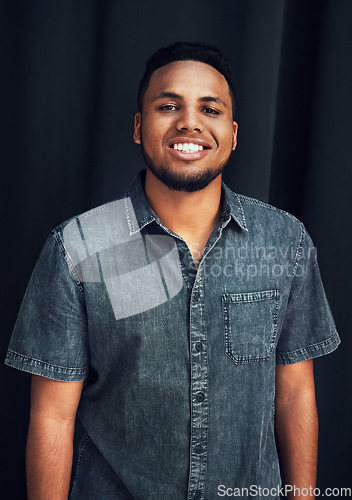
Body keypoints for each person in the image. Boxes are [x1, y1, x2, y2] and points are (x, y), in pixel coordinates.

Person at [5, 41, 340, 500]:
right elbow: (52, 417)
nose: (190, 122)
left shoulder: (286, 242)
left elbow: (295, 394)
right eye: (169, 105)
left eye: (210, 109)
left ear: (234, 133)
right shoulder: (79, 247)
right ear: (139, 127)